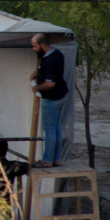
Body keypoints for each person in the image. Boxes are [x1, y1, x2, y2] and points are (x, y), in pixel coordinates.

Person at [30, 33, 69, 167]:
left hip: (51, 98)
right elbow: (47, 70)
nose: (34, 49)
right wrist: (38, 72)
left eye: (35, 46)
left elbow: (50, 83)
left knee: (49, 129)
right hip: (61, 95)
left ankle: (47, 159)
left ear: (42, 45)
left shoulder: (50, 61)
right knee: (56, 127)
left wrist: (36, 88)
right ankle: (57, 158)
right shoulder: (57, 54)